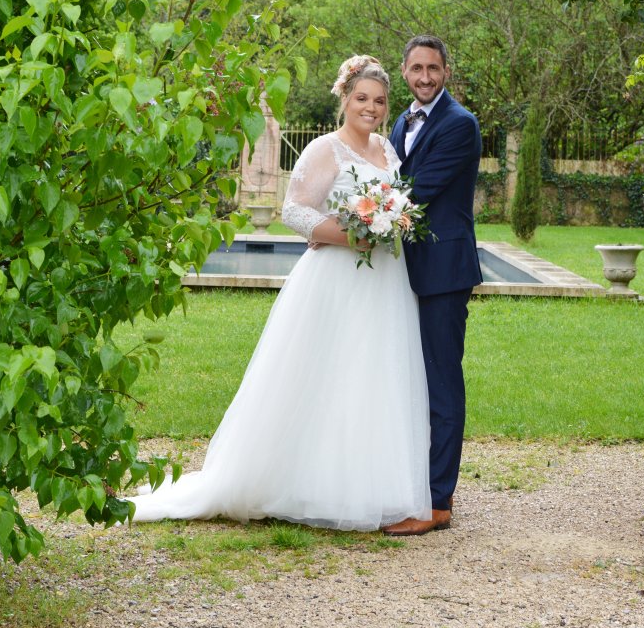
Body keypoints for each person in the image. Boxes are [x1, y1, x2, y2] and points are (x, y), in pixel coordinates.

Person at [128, 56, 432, 531]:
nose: (371, 108)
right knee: (324, 374)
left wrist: (394, 220)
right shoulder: (324, 149)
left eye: (379, 101)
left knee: (373, 374)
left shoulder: (388, 151)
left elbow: (397, 203)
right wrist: (349, 234)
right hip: (337, 278)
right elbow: (294, 210)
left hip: (385, 281)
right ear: (345, 99)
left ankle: (367, 486)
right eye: (362, 99)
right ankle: (297, 481)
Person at [383, 35, 482, 536]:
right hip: (405, 269)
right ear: (404, 71)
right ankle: (409, 484)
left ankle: (437, 502)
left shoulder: (459, 125)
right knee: (408, 380)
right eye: (417, 68)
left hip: (443, 271)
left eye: (433, 69)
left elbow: (415, 192)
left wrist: (351, 218)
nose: (425, 77)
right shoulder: (401, 121)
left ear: (446, 71)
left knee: (441, 382)